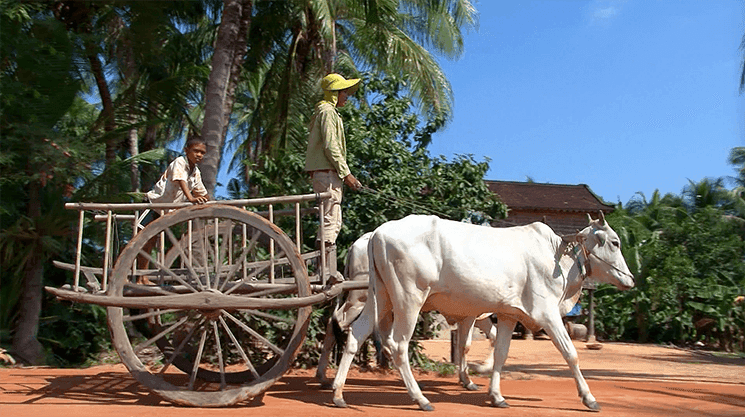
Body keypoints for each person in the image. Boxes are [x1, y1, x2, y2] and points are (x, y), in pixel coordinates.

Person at [305, 73, 363, 252]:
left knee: (331, 218)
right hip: (328, 174)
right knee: (331, 218)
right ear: (334, 93)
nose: (347, 96)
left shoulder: (324, 112)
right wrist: (347, 174)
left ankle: (324, 263)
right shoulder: (327, 112)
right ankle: (325, 266)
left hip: (325, 173)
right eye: (344, 92)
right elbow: (331, 146)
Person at [137, 138, 210, 280]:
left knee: (150, 243)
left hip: (165, 211)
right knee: (139, 240)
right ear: (186, 150)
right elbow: (180, 180)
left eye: (202, 152)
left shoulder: (195, 172)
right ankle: (123, 273)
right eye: (196, 151)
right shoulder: (180, 162)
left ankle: (142, 278)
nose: (199, 155)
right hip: (153, 205)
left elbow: (202, 193)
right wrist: (191, 198)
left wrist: (211, 204)